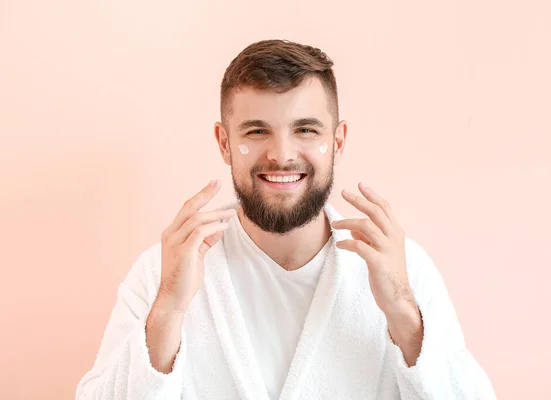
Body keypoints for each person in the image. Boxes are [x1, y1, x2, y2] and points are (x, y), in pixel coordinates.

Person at [76, 39, 496, 399]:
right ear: (225, 142)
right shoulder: (160, 274)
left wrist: (404, 313)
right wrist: (168, 308)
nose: (281, 153)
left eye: (306, 130)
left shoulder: (402, 268)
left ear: (338, 140)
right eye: (256, 131)